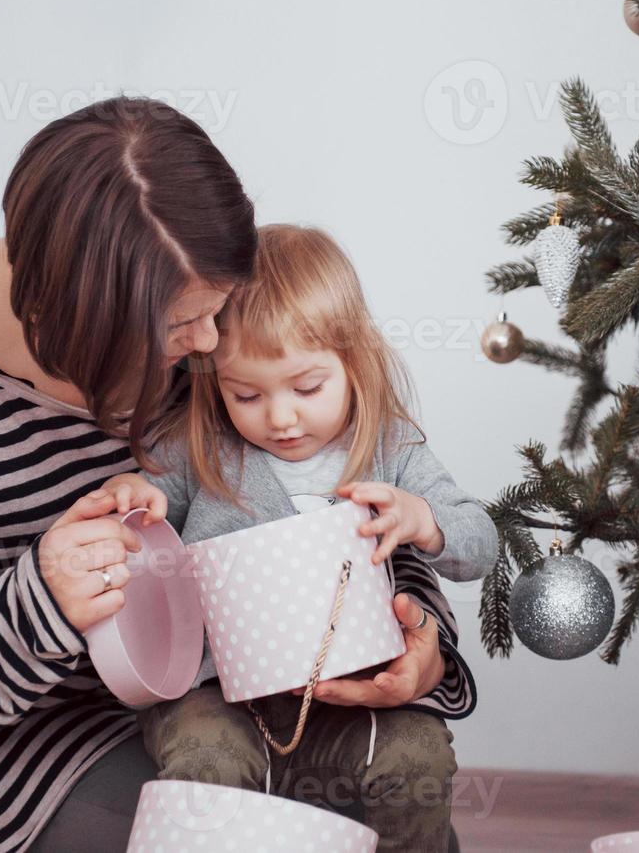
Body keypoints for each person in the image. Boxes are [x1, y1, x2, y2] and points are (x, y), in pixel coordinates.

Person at [0, 98, 470, 853]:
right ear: (87, 313)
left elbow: (333, 489)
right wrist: (41, 599)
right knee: (228, 840)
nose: (212, 343)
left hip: (203, 701)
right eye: (184, 325)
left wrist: (418, 641)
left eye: (217, 311)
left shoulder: (191, 299)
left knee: (384, 814)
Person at [98, 224, 499, 852]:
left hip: (353, 695)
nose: (280, 418)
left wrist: (423, 518)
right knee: (205, 768)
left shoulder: (389, 447)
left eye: (308, 388)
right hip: (220, 697)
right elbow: (148, 504)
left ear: (354, 362)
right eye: (247, 394)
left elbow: (480, 544)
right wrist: (138, 496)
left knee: (418, 760)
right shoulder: (200, 445)